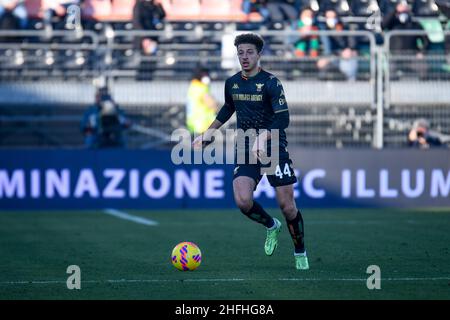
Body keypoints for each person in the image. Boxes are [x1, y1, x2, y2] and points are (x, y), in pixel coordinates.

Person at [192, 33, 309, 270]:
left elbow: (283, 118)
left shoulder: (271, 83)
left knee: (287, 206)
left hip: (274, 146)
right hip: (246, 146)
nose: (244, 57)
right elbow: (228, 108)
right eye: (241, 53)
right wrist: (209, 132)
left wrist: (263, 137)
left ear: (259, 54)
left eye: (249, 52)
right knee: (243, 201)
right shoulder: (232, 82)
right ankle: (270, 225)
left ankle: (300, 251)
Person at [381, 1, 428, 79]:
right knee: (389, 73)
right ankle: (390, 90)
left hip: (411, 56)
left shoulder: (415, 24)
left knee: (423, 68)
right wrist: (396, 10)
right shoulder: (393, 23)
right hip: (395, 56)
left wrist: (421, 52)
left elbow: (426, 40)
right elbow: (383, 25)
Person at [317, 8, 359, 81]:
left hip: (343, 55)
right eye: (329, 17)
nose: (331, 19)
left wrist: (350, 49)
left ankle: (350, 84)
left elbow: (351, 42)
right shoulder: (323, 30)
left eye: (333, 17)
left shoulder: (344, 28)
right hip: (331, 56)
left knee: (350, 60)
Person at [186, 68, 218, 135]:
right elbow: (211, 104)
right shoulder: (201, 88)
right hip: (202, 125)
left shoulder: (193, 86)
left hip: (193, 123)